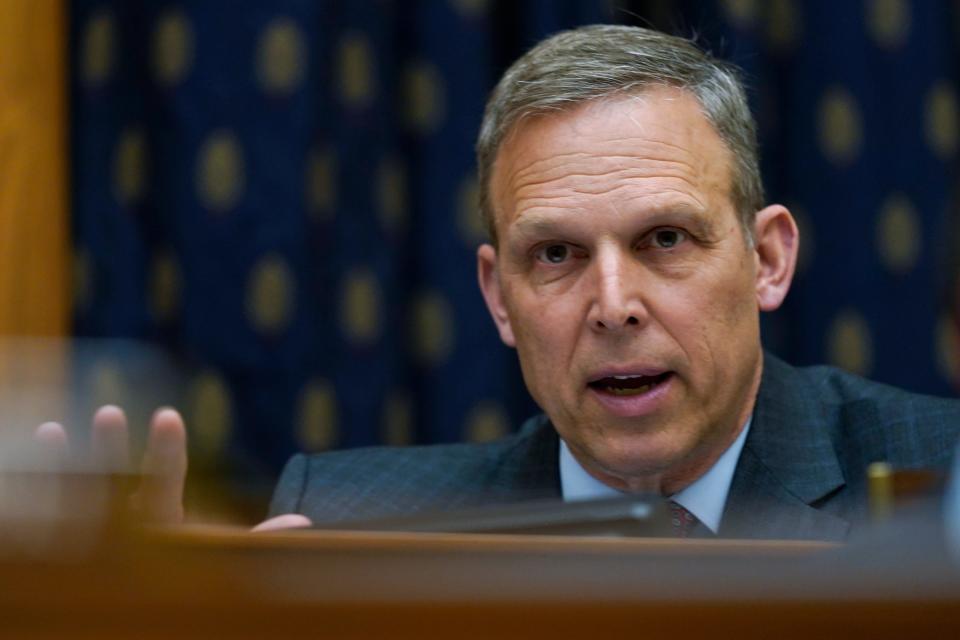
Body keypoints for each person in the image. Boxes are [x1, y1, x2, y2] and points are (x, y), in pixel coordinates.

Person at [39, 25, 960, 539]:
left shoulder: (942, 481)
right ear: (496, 296)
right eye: (554, 255)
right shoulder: (345, 529)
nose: (612, 305)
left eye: (665, 239)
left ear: (767, 259)